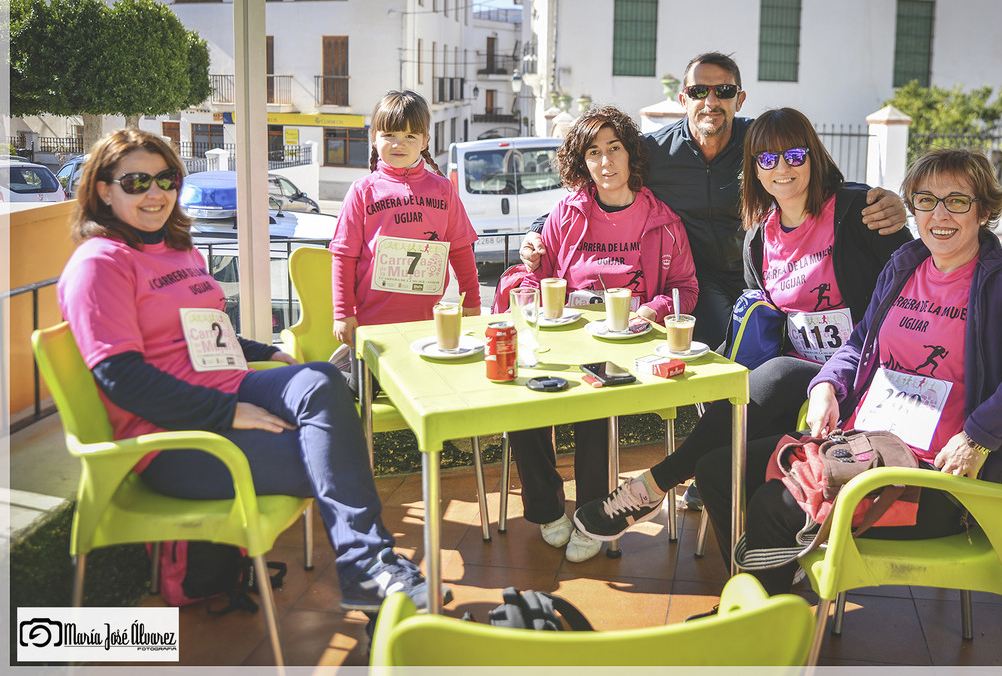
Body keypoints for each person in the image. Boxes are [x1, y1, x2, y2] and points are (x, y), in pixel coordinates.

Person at [57, 129, 446, 613]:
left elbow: (207, 330)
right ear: (103, 189)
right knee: (332, 457)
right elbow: (122, 377)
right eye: (136, 182)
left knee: (320, 377)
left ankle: (368, 572)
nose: (155, 193)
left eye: (166, 178)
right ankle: (370, 567)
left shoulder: (178, 250)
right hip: (176, 439)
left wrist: (268, 350)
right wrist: (226, 412)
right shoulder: (100, 263)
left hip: (231, 385)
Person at [693, 148, 1002, 592]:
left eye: (957, 200)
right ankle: (770, 602)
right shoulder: (906, 264)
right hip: (860, 445)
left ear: (985, 209)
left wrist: (979, 436)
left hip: (934, 477)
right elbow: (859, 342)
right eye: (925, 200)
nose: (940, 214)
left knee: (772, 505)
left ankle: (769, 627)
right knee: (719, 470)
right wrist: (825, 386)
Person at [574, 108, 911, 542]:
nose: (782, 168)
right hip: (799, 386)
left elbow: (920, 274)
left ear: (814, 155)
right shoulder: (759, 239)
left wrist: (902, 208)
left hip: (861, 371)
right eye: (766, 160)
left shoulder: (856, 211)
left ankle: (653, 485)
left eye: (793, 154)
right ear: (753, 170)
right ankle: (752, 575)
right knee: (720, 458)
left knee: (778, 373)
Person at [521, 52, 908, 349]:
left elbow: (813, 173)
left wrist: (882, 199)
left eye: (723, 91)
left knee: (773, 345)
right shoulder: (655, 151)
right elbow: (600, 188)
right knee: (727, 344)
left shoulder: (761, 141)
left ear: (739, 99)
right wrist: (539, 231)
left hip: (767, 273)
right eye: (698, 91)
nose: (711, 101)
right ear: (683, 98)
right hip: (701, 277)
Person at [507, 106, 699, 562]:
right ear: (582, 162)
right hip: (565, 341)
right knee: (522, 402)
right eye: (594, 152)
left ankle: (593, 513)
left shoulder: (664, 222)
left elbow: (686, 289)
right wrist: (535, 298)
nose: (606, 161)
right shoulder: (567, 214)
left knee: (596, 402)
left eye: (614, 148)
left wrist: (650, 311)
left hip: (627, 349)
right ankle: (547, 508)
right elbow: (537, 276)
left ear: (632, 154)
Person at [331, 90, 481, 353]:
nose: (398, 144)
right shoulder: (362, 191)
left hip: (430, 323)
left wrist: (472, 300)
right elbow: (343, 256)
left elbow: (460, 248)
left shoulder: (443, 190)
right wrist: (343, 312)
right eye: (389, 135)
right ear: (374, 139)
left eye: (410, 136)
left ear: (425, 141)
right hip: (371, 323)